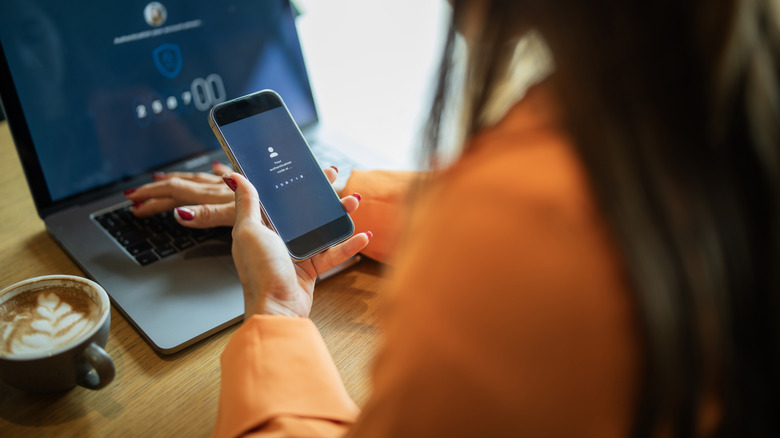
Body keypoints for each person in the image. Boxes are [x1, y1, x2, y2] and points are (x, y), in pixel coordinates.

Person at [125, 0, 780, 435]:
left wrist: (275, 317)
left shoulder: (520, 217)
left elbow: (526, 226)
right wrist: (331, 190)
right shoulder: (719, 99)